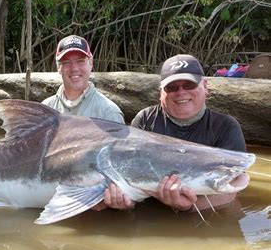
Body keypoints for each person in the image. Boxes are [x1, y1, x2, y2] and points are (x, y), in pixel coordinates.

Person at [95, 54, 247, 212]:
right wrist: (126, 202)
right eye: (172, 87)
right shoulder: (145, 120)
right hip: (150, 216)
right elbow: (127, 178)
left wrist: (188, 208)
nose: (181, 92)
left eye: (189, 84)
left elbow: (232, 191)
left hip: (201, 217)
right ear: (161, 92)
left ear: (205, 86)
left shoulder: (226, 127)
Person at [42, 35, 125, 123]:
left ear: (91, 63)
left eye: (80, 61)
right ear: (58, 67)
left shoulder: (109, 113)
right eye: (66, 62)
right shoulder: (44, 110)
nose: (74, 68)